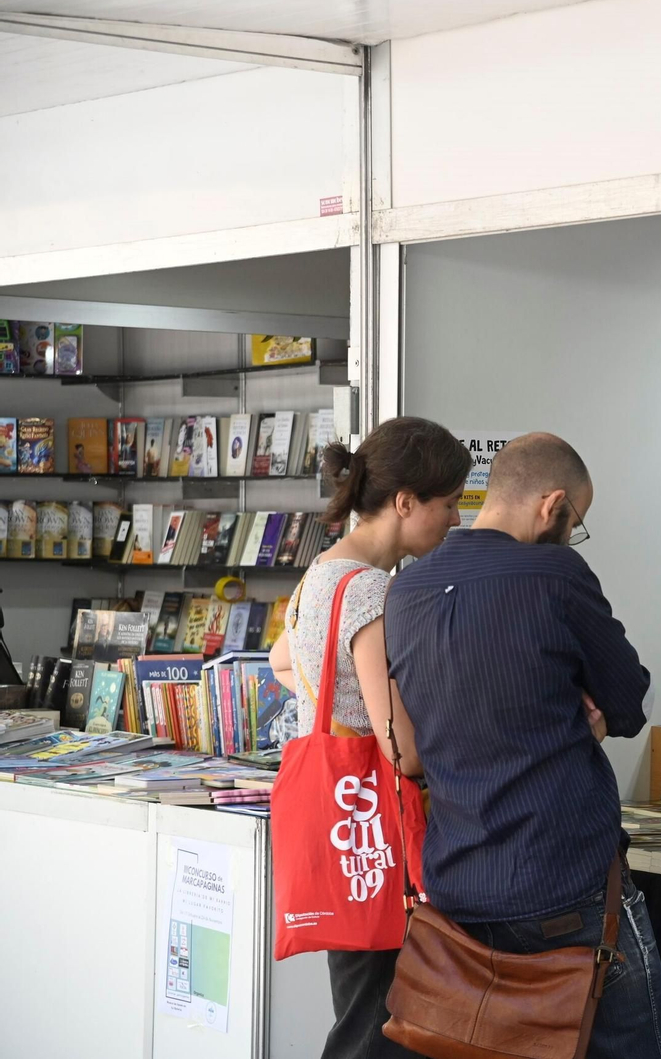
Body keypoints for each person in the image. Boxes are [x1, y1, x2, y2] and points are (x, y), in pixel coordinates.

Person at [383, 432, 661, 1059]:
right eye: (576, 522)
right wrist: (582, 717)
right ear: (553, 505)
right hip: (565, 886)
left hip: (459, 887)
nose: (573, 536)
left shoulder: (406, 591)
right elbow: (627, 701)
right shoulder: (556, 573)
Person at [268, 415, 471, 1059]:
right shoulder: (373, 592)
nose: (456, 521)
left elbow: (281, 660)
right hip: (374, 833)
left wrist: (339, 708)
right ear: (406, 503)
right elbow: (401, 747)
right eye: (448, 505)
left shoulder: (320, 576)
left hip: (337, 830)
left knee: (359, 1007)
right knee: (376, 1029)